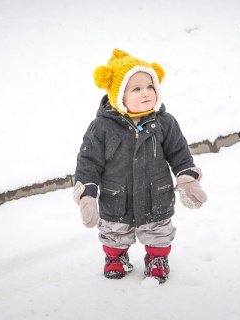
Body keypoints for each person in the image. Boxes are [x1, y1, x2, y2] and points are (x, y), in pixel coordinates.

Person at [73, 48, 207, 284]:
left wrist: (187, 179)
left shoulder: (164, 122)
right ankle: (116, 258)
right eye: (136, 89)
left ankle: (157, 259)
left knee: (159, 231)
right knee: (114, 231)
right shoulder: (101, 128)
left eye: (150, 87)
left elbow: (180, 154)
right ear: (118, 95)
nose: (146, 93)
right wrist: (87, 195)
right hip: (116, 196)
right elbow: (88, 162)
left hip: (156, 194)